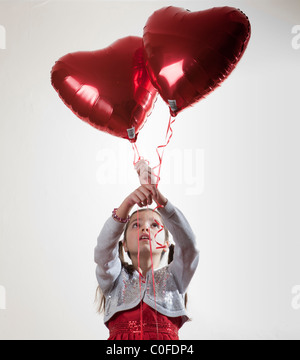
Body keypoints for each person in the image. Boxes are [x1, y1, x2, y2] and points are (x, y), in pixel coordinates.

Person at [94, 169, 199, 340]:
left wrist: (160, 199)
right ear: (124, 245)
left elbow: (189, 246)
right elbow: (103, 251)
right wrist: (127, 204)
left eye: (155, 225)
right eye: (136, 225)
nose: (145, 228)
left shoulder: (175, 277)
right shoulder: (114, 279)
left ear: (166, 244)